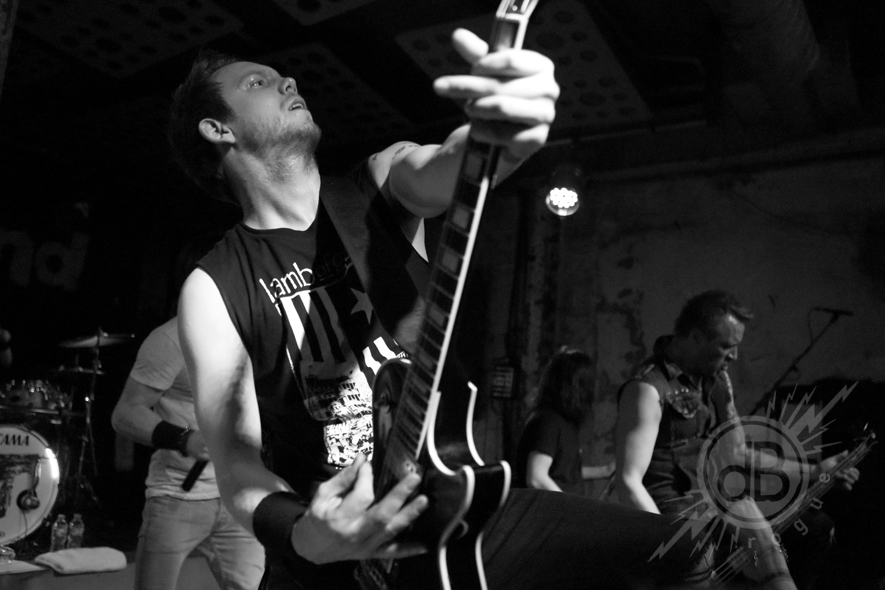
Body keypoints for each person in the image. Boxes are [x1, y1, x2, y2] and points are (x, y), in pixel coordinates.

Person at [171, 28, 714, 590]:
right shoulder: (213, 286)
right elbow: (237, 465)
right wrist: (305, 534)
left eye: (281, 75)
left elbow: (448, 164)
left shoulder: (376, 185)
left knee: (680, 552)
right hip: (328, 550)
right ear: (217, 128)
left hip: (454, 509)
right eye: (256, 83)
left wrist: (500, 135)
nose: (287, 80)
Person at [614, 289, 860, 589]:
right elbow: (628, 481)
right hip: (677, 514)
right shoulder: (647, 389)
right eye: (726, 346)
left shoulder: (716, 378)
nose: (734, 356)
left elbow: (739, 452)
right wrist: (666, 543)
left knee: (814, 529)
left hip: (719, 501)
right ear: (696, 337)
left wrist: (816, 470)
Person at [111, 316, 265, 590]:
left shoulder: (258, 333)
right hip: (177, 495)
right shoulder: (171, 339)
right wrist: (184, 439)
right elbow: (125, 413)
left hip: (239, 496)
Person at [516, 347, 614, 493]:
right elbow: (537, 478)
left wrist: (605, 471)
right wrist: (567, 505)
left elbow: (565, 473)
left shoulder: (565, 421)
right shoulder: (548, 421)